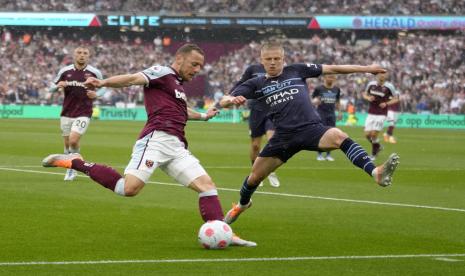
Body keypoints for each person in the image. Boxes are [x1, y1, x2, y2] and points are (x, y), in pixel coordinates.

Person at [42, 43, 256, 247]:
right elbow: (133, 78)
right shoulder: (161, 72)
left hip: (177, 146)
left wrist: (203, 115)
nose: (198, 70)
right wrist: (103, 82)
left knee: (207, 187)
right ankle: (77, 163)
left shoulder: (177, 85)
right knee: (128, 189)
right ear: (179, 59)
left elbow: (181, 110)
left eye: (200, 66)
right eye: (194, 64)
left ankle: (223, 232)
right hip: (155, 139)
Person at [219, 41, 400, 225]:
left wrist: (367, 69)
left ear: (283, 59)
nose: (273, 62)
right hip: (283, 137)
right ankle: (242, 205)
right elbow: (225, 99)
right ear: (262, 61)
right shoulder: (256, 83)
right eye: (268, 59)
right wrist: (231, 100)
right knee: (254, 177)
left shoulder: (296, 70)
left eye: (277, 58)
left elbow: (334, 68)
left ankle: (375, 172)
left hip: (311, 128)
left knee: (339, 136)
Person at [49, 46, 105, 181]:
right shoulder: (65, 71)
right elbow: (51, 88)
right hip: (67, 112)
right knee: (67, 144)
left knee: (74, 140)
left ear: (89, 56)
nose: (82, 55)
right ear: (74, 55)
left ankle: (76, 168)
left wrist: (96, 94)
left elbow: (104, 87)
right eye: (79, 52)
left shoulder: (94, 72)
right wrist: (58, 86)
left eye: (85, 53)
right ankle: (71, 169)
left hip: (84, 112)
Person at [232, 64, 280, 187]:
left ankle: (270, 171)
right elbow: (241, 83)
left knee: (272, 141)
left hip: (273, 110)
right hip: (256, 111)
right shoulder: (253, 69)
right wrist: (230, 95)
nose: (272, 61)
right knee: (255, 146)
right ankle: (256, 172)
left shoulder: (279, 69)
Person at [362, 73, 400, 159]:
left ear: (386, 76)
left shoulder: (389, 87)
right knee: (367, 135)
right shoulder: (371, 84)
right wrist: (368, 98)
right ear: (376, 76)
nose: (381, 76)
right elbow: (364, 94)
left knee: (374, 135)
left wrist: (386, 103)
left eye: (383, 74)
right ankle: (378, 146)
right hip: (371, 113)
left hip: (381, 114)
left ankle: (374, 154)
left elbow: (396, 99)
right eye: (380, 74)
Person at [311, 74, 342, 161]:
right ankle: (319, 154)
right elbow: (312, 100)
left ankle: (328, 155)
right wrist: (316, 101)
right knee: (320, 134)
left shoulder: (337, 89)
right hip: (321, 114)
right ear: (324, 78)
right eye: (329, 77)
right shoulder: (319, 88)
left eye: (332, 77)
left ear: (335, 78)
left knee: (332, 134)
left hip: (331, 114)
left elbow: (338, 101)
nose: (330, 78)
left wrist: (339, 112)